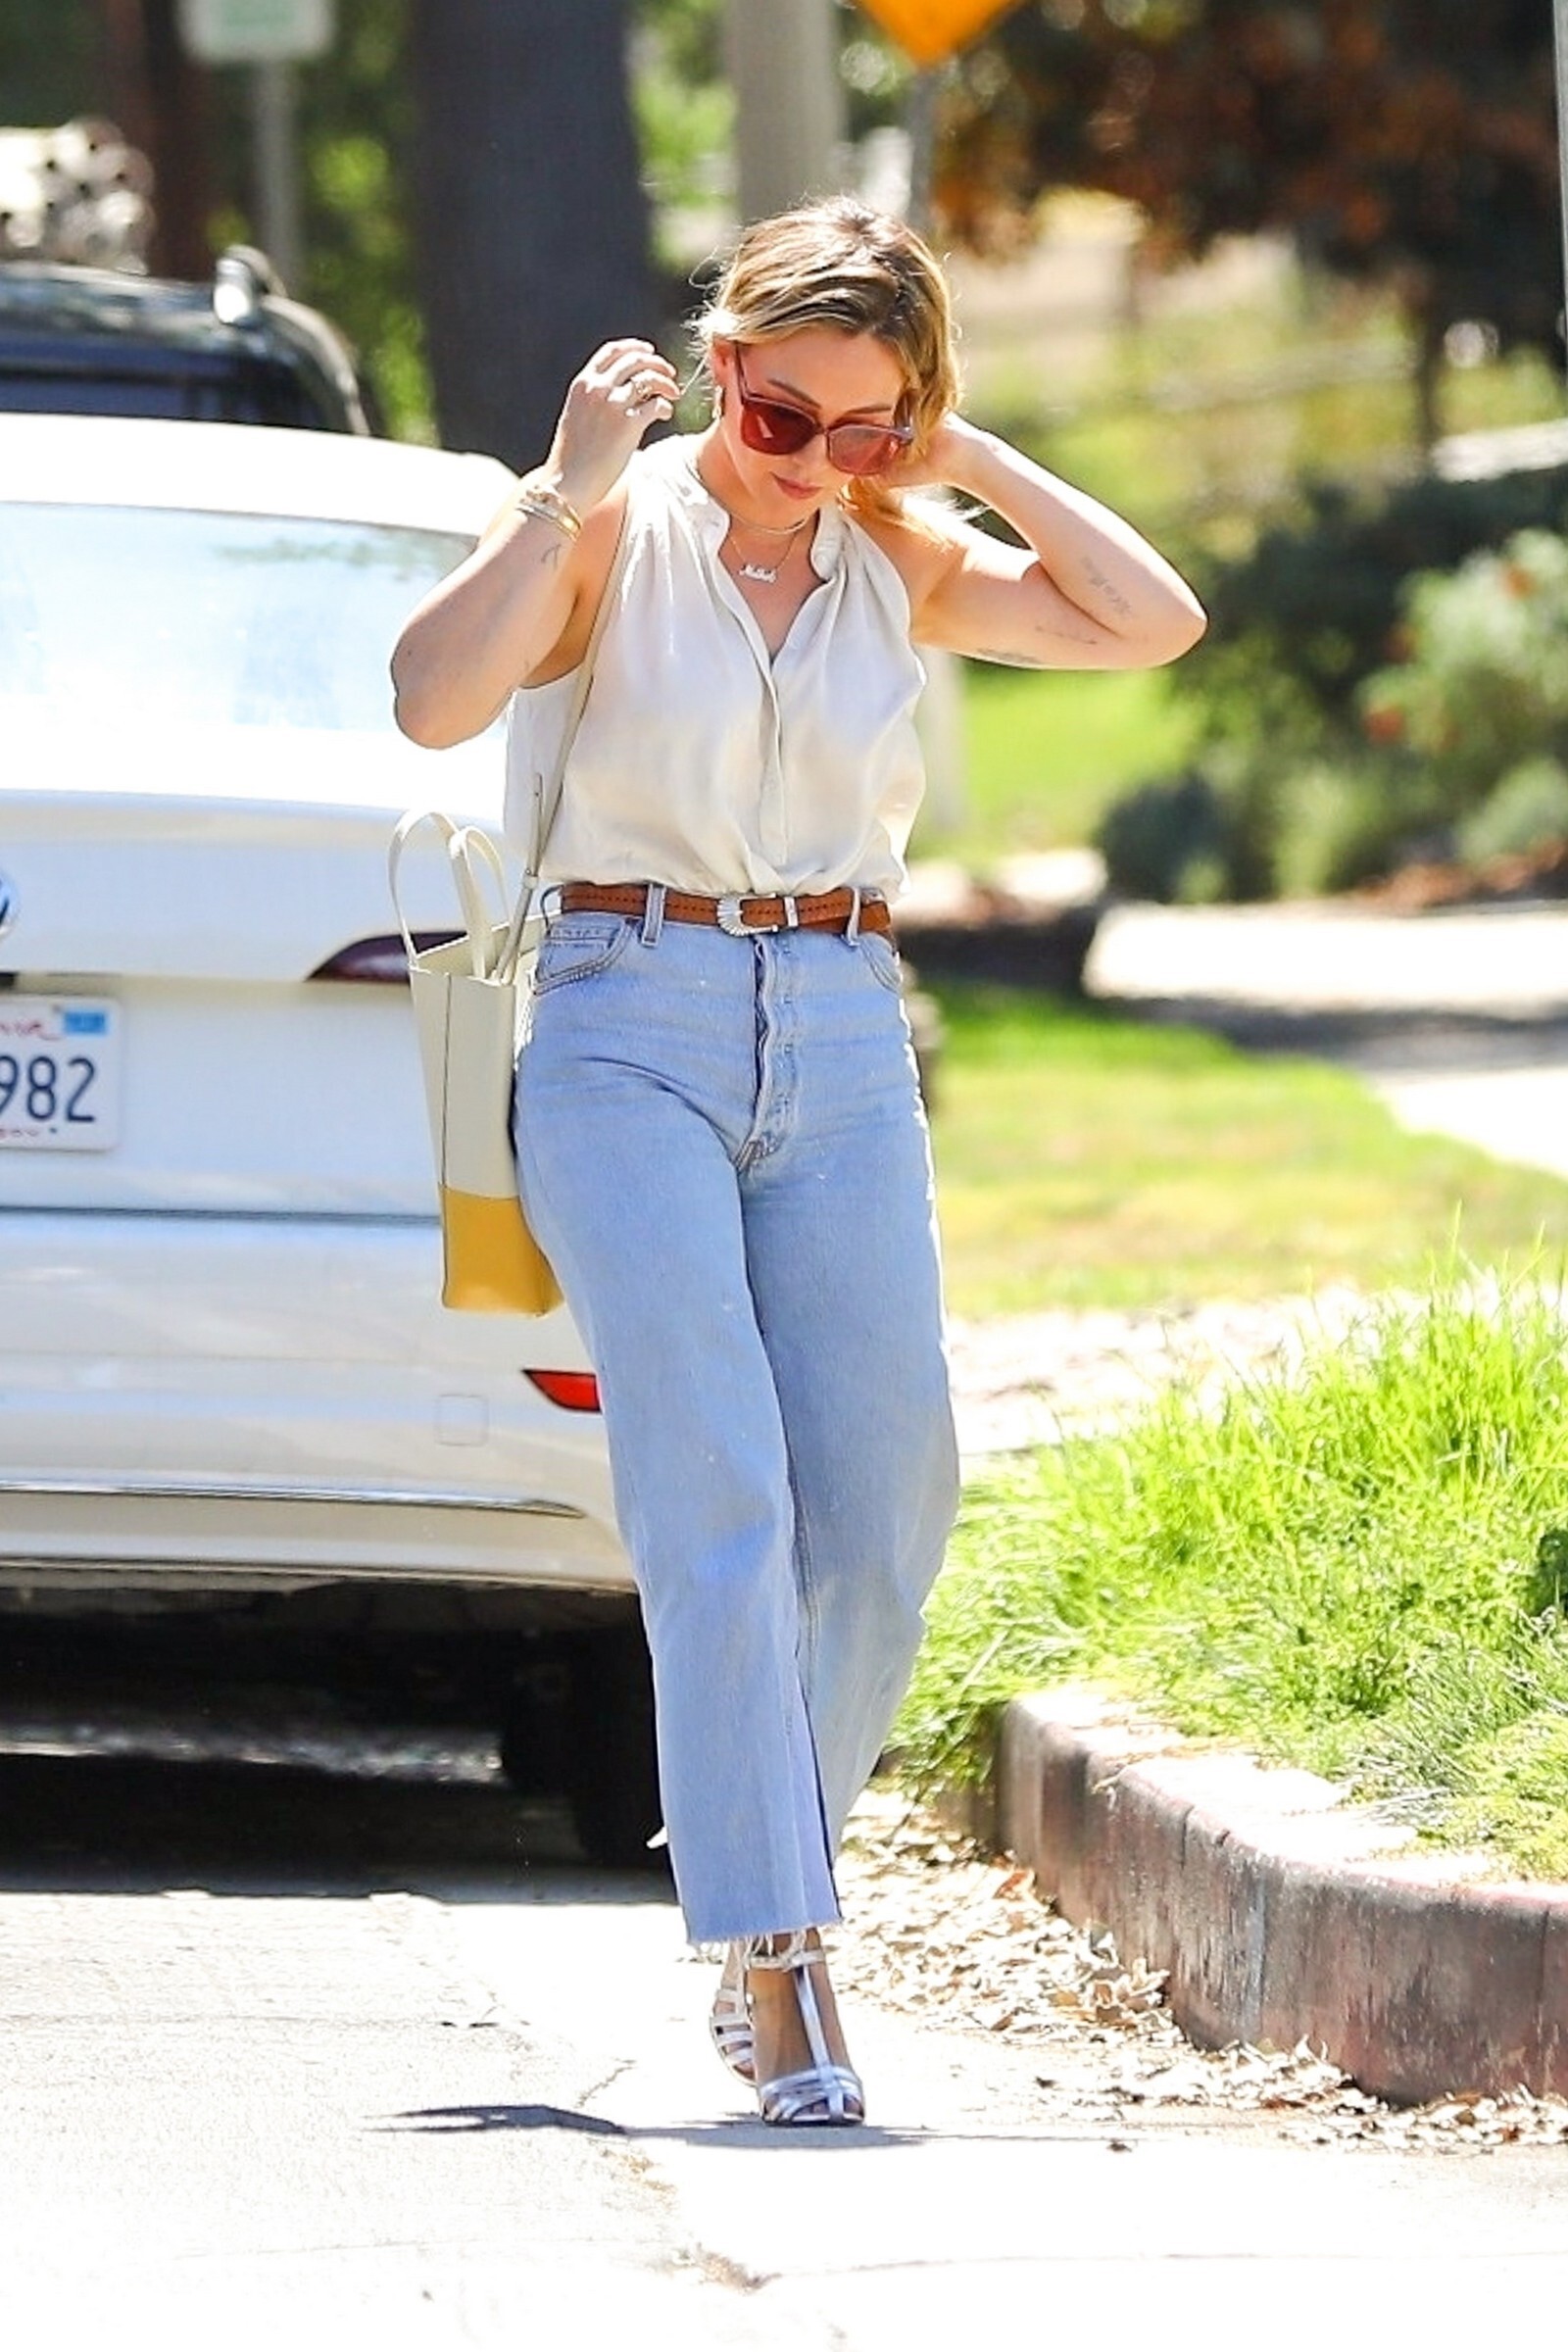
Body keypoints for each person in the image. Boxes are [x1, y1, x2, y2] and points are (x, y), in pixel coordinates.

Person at [391, 197, 1205, 2127]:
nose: (813, 463)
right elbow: (429, 700)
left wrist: (965, 455)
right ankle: (782, 1968)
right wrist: (563, 483)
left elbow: (1150, 622)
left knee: (890, 1505)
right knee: (721, 1489)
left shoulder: (891, 554)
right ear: (722, 368)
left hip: (840, 1028)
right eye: (780, 418)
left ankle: (768, 1873)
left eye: (865, 427)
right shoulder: (611, 530)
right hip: (623, 1019)